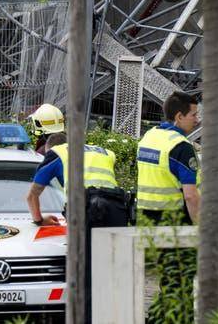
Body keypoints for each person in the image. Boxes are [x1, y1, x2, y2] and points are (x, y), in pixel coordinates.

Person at [26, 132, 127, 321]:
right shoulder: (103, 152)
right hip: (117, 209)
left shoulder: (56, 153)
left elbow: (32, 195)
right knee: (114, 270)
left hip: (88, 210)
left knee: (85, 272)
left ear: (50, 148)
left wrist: (40, 220)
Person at [137, 91, 200, 323]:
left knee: (168, 278)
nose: (197, 119)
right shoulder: (181, 147)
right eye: (193, 114)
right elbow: (191, 196)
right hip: (173, 221)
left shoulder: (149, 137)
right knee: (181, 282)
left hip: (147, 219)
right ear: (179, 116)